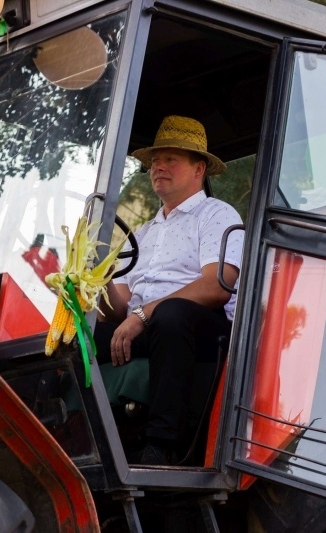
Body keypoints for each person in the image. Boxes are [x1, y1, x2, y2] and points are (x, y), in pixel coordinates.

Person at [97, 115, 243, 465]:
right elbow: (118, 308)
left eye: (170, 159)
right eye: (155, 161)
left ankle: (162, 445)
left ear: (199, 169)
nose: (158, 167)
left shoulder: (217, 215)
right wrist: (93, 282)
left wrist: (143, 314)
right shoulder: (145, 231)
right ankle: (86, 439)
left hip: (202, 329)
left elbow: (217, 286)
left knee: (172, 315)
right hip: (149, 325)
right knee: (80, 338)